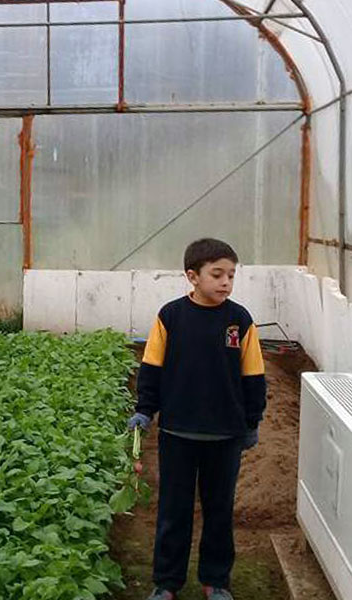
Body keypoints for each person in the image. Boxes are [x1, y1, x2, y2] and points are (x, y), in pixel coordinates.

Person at [127, 238, 267, 600]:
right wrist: (145, 409)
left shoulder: (239, 319)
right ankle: (166, 583)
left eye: (231, 276)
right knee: (173, 511)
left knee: (219, 511)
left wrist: (252, 421)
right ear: (192, 276)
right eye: (217, 274)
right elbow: (152, 368)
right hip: (177, 432)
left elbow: (253, 375)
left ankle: (216, 581)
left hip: (226, 435)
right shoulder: (171, 316)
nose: (225, 282)